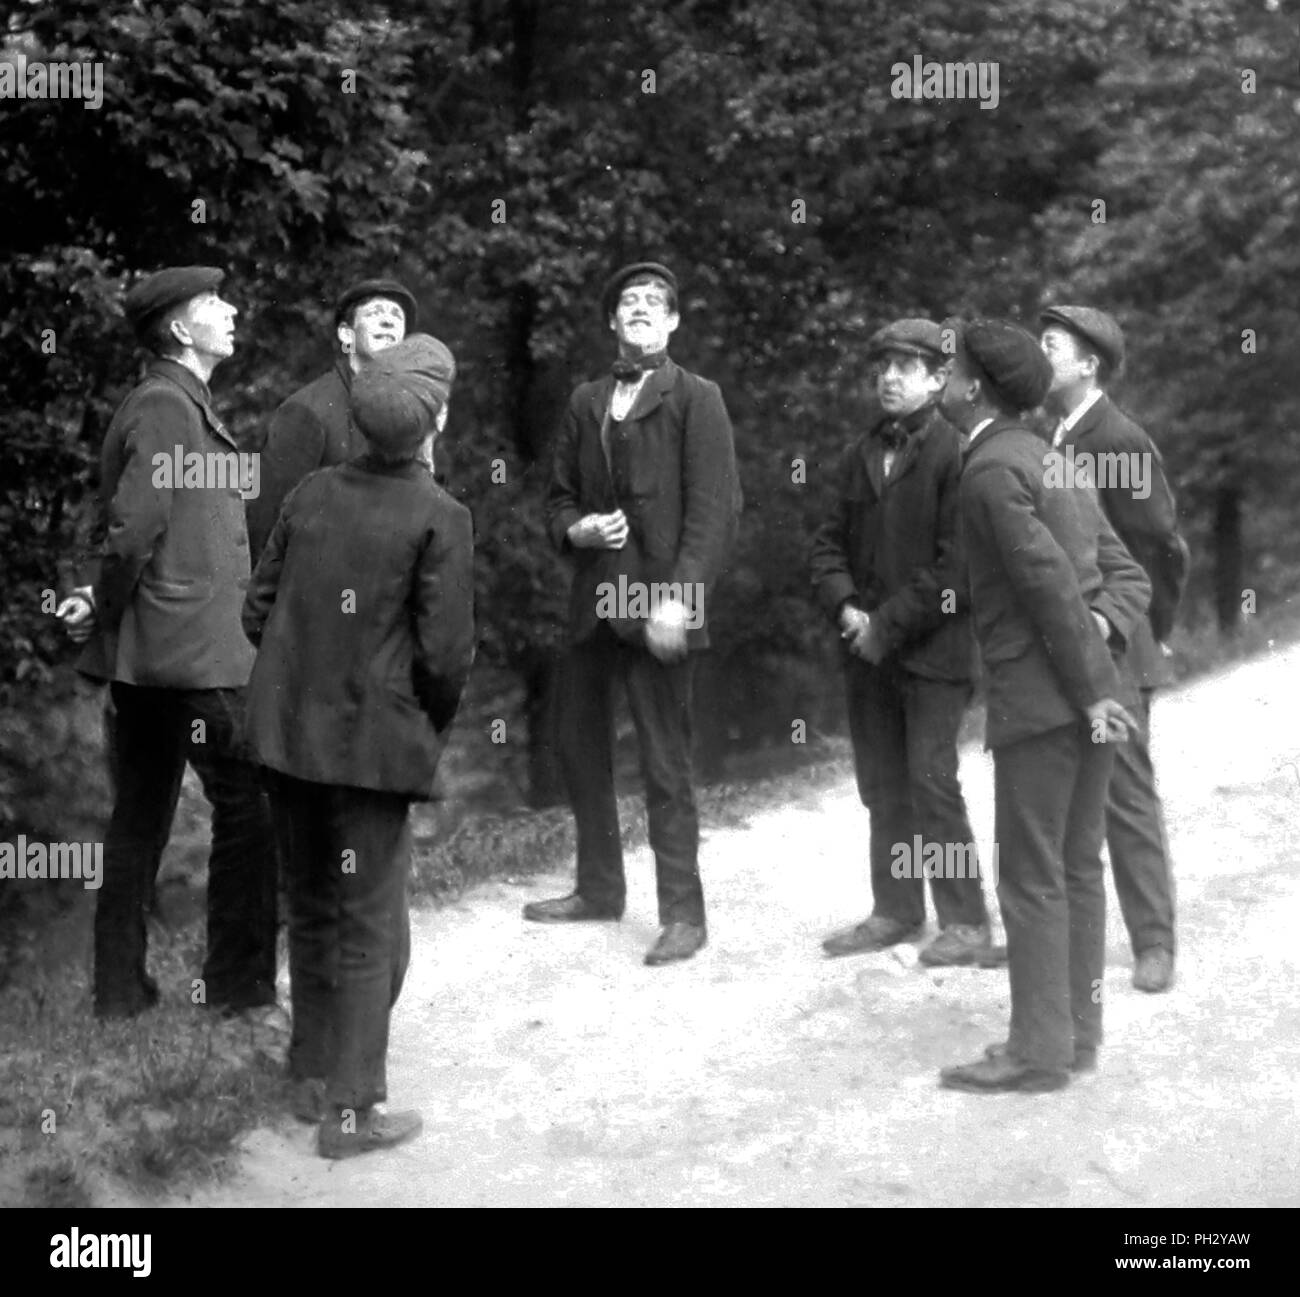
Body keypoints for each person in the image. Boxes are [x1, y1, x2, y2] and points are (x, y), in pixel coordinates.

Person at [242, 333, 474, 1159]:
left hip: (284, 738)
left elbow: (255, 609)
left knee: (308, 903)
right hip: (369, 751)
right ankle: (349, 1111)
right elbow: (446, 658)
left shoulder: (309, 493)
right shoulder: (440, 515)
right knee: (375, 927)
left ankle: (310, 1072)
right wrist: (416, 722)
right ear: (434, 421)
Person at [57, 266, 278, 1020]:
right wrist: (104, 602)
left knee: (141, 816)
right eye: (217, 304)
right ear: (183, 330)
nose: (233, 308)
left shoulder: (181, 401)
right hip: (190, 651)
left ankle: (121, 994)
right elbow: (134, 529)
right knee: (251, 801)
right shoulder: (163, 404)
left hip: (163, 651)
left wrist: (103, 607)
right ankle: (238, 990)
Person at [937, 319, 1151, 1093]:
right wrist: (1101, 658)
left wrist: (1090, 685)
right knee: (1076, 868)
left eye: (949, 369)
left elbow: (1049, 585)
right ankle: (1076, 1037)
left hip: (1049, 706)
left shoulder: (990, 469)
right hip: (1095, 699)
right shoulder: (1051, 459)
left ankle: (1036, 1050)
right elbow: (1124, 580)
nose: (942, 381)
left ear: (975, 386)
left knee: (1032, 877)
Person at [524, 261, 742, 966]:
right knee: (579, 748)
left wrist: (680, 599)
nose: (642, 308)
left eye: (656, 301)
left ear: (674, 322)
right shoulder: (587, 400)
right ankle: (597, 889)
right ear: (612, 322)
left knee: (664, 758)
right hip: (594, 603)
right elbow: (556, 498)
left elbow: (715, 511)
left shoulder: (697, 397)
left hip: (660, 607)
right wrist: (578, 531)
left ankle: (683, 912)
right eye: (629, 302)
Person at [809, 318, 993, 966]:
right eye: (882, 365)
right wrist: (846, 606)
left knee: (932, 780)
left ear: (940, 378)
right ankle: (896, 909)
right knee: (882, 785)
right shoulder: (857, 453)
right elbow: (826, 544)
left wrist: (883, 625)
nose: (889, 377)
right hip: (867, 654)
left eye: (906, 366)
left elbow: (958, 569)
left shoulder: (960, 452)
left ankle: (967, 921)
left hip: (934, 655)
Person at [1040, 305, 1189, 992]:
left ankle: (1154, 941)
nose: (1040, 357)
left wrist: (1143, 631)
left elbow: (1162, 545)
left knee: (1126, 793)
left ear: (1088, 363)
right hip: (1067, 644)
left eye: (1052, 345)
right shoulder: (1053, 436)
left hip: (1119, 644)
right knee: (1070, 793)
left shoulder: (1118, 437)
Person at [245, 276, 418, 561]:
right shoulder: (307, 411)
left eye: (396, 317)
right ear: (346, 335)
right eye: (375, 313)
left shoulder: (408, 416)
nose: (389, 322)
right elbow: (268, 524)